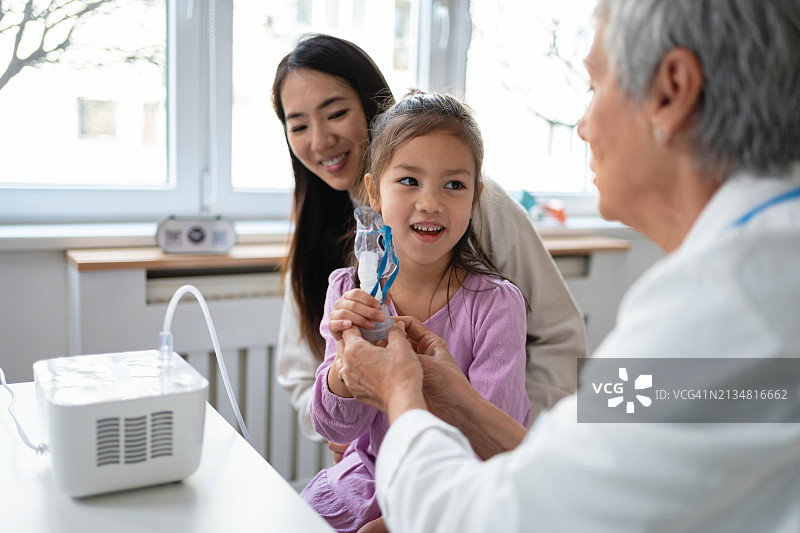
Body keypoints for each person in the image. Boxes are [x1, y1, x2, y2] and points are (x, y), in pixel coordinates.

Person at [335, 0, 800, 531]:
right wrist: (452, 395)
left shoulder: (722, 304)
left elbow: (495, 519)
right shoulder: (757, 262)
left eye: (594, 87)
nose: (582, 127)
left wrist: (400, 393)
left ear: (671, 91)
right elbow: (571, 464)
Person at [271, 35, 586, 451]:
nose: (319, 140)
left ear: (373, 108)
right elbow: (303, 375)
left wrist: (506, 439)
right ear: (375, 193)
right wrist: (351, 429)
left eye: (336, 113)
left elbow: (560, 338)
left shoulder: (472, 206)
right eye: (299, 126)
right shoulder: (322, 240)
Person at [300, 92, 531, 533]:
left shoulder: (496, 305)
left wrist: (394, 522)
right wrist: (345, 371)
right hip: (363, 479)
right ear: (374, 191)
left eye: (454, 185)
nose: (430, 202)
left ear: (475, 197)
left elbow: (488, 445)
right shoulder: (347, 290)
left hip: (454, 492)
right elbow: (335, 424)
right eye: (409, 181)